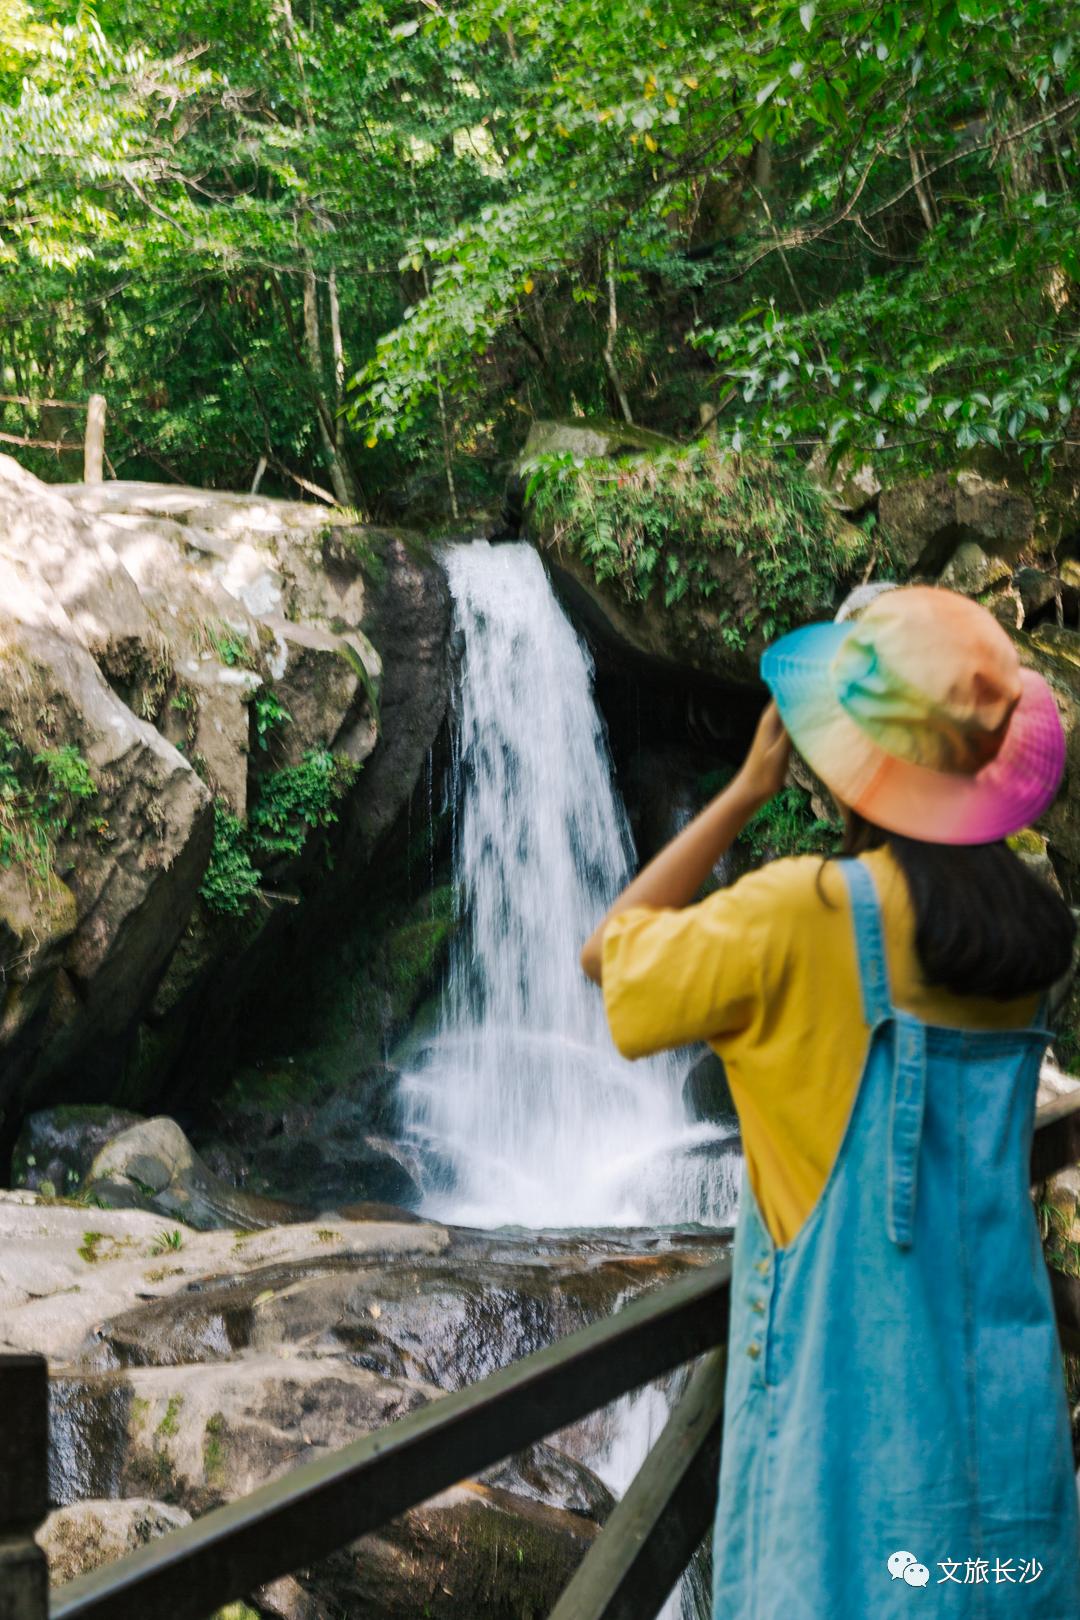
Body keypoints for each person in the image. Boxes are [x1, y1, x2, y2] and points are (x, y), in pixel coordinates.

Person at [580, 586, 1080, 1617]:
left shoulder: (803, 917)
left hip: (854, 1463)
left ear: (843, 756)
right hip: (1002, 1439)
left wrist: (746, 790)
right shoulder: (1027, 942)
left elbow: (608, 952)